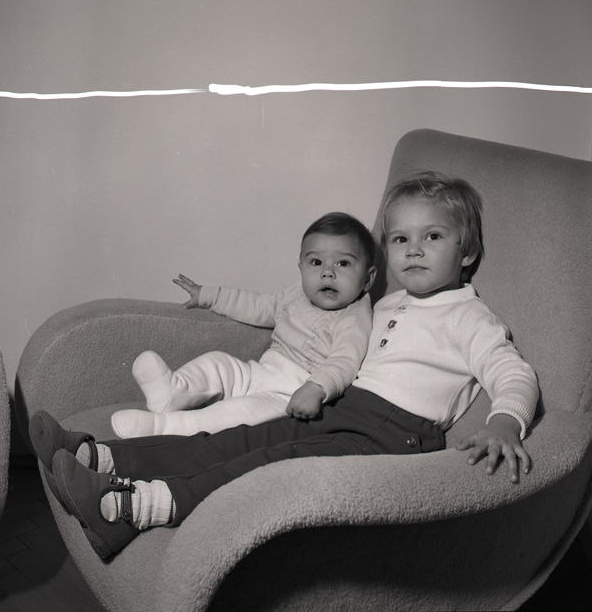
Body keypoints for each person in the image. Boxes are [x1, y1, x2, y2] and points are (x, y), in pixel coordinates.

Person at [30, 171, 539, 560]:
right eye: (401, 239)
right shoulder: (385, 305)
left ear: (467, 252)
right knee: (236, 440)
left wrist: (505, 422)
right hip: (344, 410)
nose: (414, 250)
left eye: (433, 237)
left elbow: (513, 372)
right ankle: (101, 458)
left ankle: (134, 509)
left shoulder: (469, 316)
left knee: (262, 465)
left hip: (395, 434)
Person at [111, 211, 377, 438]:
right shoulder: (296, 294)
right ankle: (175, 390)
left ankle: (163, 427)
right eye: (316, 262)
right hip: (257, 372)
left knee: (234, 414)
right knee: (218, 363)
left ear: (367, 279)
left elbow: (345, 361)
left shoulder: (354, 317)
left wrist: (316, 389)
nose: (327, 272)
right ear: (301, 267)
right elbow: (257, 305)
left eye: (343, 263)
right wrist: (209, 296)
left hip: (288, 395)